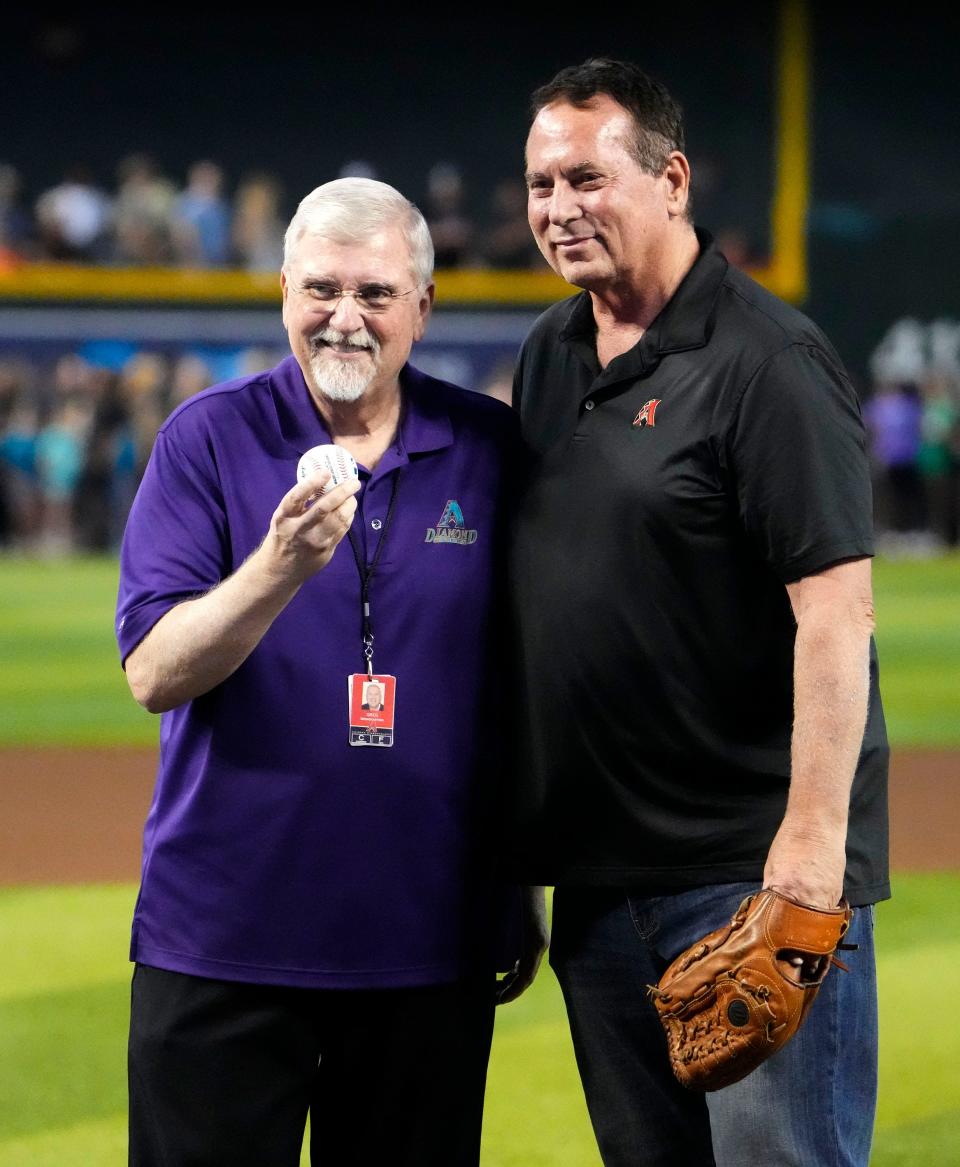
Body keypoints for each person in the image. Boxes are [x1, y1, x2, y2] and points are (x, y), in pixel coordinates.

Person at [503, 58, 889, 1167]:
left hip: (745, 877)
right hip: (598, 885)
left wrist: (810, 862)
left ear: (671, 180)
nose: (558, 210)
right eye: (539, 186)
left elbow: (836, 615)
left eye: (587, 178)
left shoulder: (769, 362)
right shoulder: (550, 352)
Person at [116, 176, 542, 1167]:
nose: (345, 318)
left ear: (423, 308)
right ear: (283, 294)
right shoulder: (207, 438)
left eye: (376, 294)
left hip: (427, 945)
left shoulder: (487, 448)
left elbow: (523, 683)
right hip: (220, 940)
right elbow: (154, 672)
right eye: (321, 290)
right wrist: (277, 567)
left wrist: (516, 881)